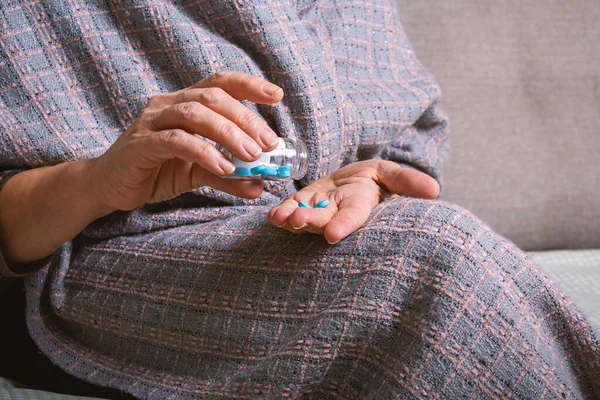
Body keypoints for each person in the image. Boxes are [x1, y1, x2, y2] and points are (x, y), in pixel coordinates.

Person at [0, 0, 598, 399]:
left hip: (300, 222)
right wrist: (97, 180)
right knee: (430, 262)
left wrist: (365, 177)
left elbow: (397, 123)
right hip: (99, 256)